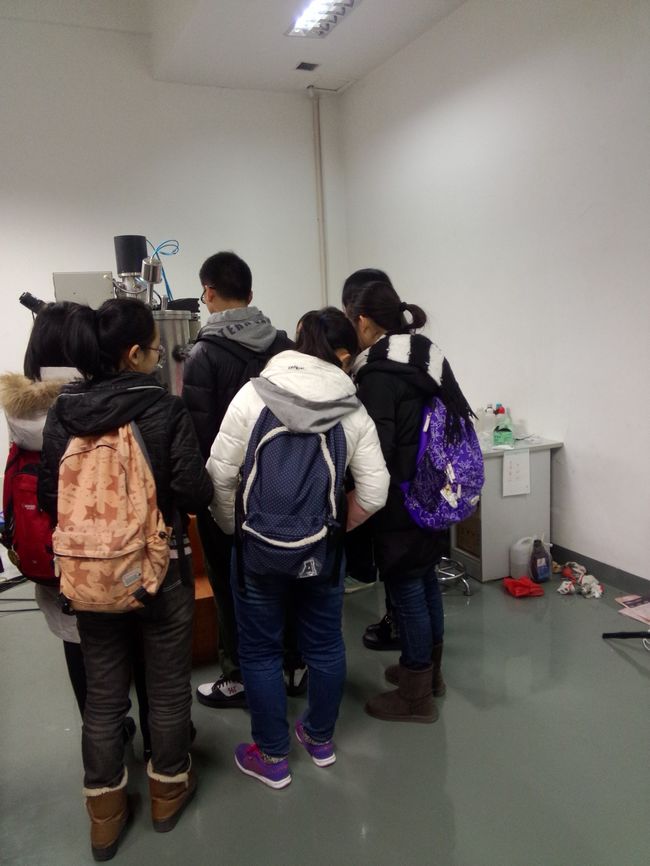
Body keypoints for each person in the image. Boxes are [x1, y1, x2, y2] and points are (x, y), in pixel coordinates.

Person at [39, 298, 213, 861]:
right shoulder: (165, 409)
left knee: (104, 695)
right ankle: (168, 790)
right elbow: (192, 492)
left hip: (89, 578)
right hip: (160, 573)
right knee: (166, 687)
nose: (160, 358)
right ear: (135, 354)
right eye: (156, 350)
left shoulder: (64, 411)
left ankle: (105, 814)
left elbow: (50, 496)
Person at [206, 307, 389, 788]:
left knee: (260, 651)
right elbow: (375, 492)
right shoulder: (352, 409)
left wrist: (233, 528)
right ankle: (319, 739)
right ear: (343, 354)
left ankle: (272, 756)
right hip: (322, 551)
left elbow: (219, 474)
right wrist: (334, 528)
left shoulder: (254, 394)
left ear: (297, 343)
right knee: (325, 644)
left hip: (256, 547)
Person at [0, 302, 145, 746]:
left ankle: (103, 734)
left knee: (77, 645)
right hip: (109, 554)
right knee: (131, 642)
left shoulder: (19, 411)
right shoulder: (99, 403)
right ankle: (154, 739)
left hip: (52, 555)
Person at [347, 281, 474, 723]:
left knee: (406, 589)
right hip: (434, 492)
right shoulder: (426, 358)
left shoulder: (378, 374)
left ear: (364, 322)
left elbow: (376, 447)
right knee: (424, 582)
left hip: (400, 498)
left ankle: (416, 696)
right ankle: (429, 675)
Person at [182, 251, 297, 709]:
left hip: (229, 494)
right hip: (288, 488)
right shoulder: (286, 347)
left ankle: (239, 677)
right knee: (286, 579)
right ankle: (292, 665)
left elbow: (200, 437)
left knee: (233, 589)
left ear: (208, 292)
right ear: (250, 295)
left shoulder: (203, 355)